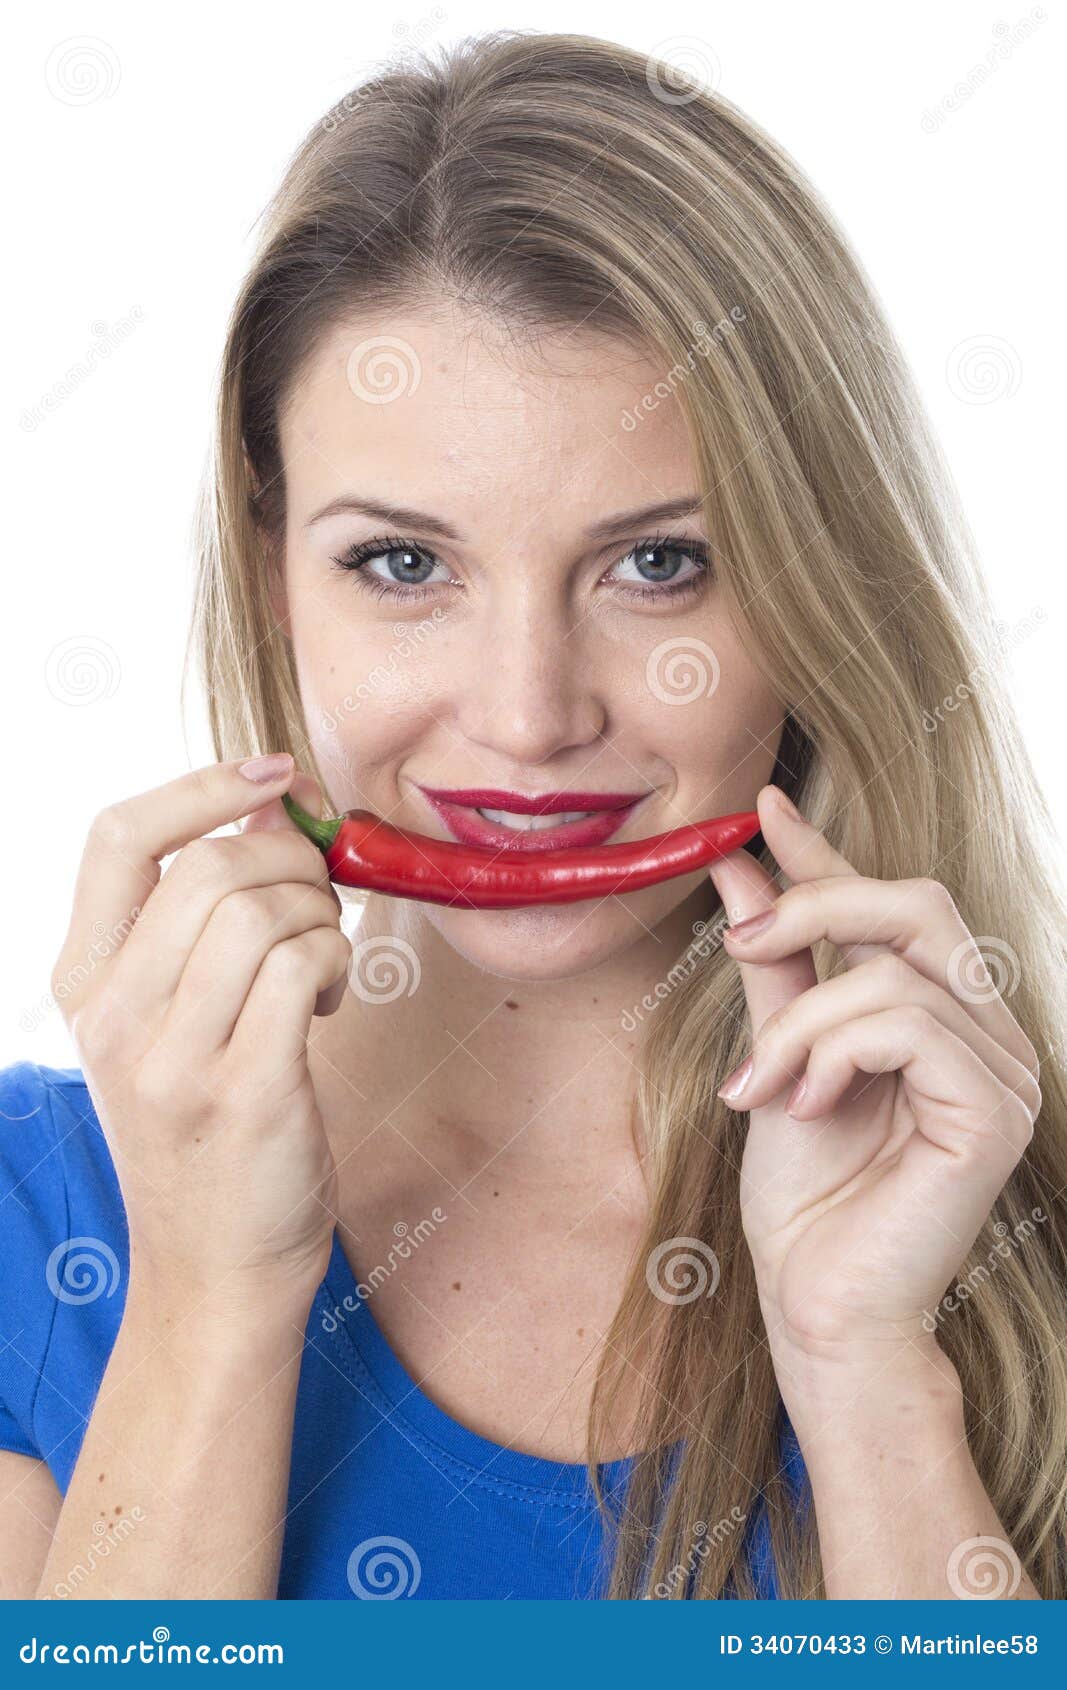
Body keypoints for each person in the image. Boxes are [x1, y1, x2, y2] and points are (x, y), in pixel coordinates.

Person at [1, 30, 1063, 1602]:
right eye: (405, 565)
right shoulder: (39, 1215)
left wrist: (870, 1369)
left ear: (816, 584)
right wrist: (210, 1300)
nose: (527, 713)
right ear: (274, 569)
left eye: (658, 565)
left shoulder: (1010, 1208)